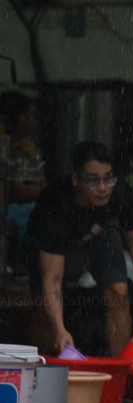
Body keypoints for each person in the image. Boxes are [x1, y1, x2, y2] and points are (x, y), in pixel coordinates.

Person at [24, 141, 133, 356]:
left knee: (119, 294)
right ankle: (43, 371)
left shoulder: (119, 193)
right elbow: (51, 279)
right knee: (44, 311)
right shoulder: (55, 205)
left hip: (100, 235)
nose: (102, 188)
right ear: (76, 179)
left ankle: (119, 373)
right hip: (53, 250)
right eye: (93, 181)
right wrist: (60, 329)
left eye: (107, 178)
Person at [0, 91, 45, 269]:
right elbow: (19, 191)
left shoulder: (27, 148)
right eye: (26, 116)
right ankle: (21, 263)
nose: (31, 122)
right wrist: (43, 191)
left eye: (33, 116)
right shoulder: (6, 147)